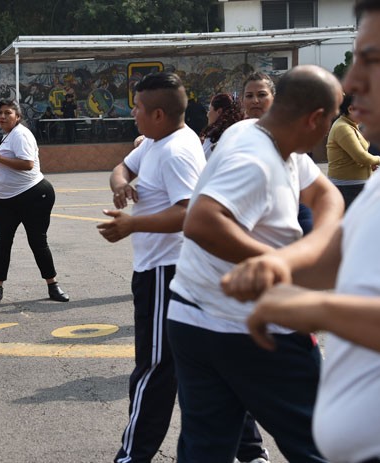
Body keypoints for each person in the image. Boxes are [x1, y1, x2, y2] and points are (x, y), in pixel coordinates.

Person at [223, 1, 380, 461]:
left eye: (373, 61)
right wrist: (275, 271)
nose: (351, 82)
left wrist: (321, 308)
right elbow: (337, 260)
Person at [166, 65, 344, 462]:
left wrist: (308, 249)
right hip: (251, 326)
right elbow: (201, 221)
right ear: (315, 119)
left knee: (205, 449)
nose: (327, 132)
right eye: (330, 122)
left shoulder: (265, 135)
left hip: (193, 318)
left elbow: (327, 195)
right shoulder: (256, 160)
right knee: (324, 444)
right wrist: (279, 266)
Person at [96, 72, 267, 463]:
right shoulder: (157, 141)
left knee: (155, 370)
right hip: (168, 270)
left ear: (157, 113)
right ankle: (251, 450)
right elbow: (121, 166)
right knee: (210, 365)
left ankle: (131, 457)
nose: (133, 115)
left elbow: (190, 213)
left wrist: (131, 223)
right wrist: (121, 184)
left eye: (137, 108)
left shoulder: (176, 151)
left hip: (166, 272)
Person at [0, 100, 69, 306]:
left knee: (37, 241)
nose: (2, 116)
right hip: (5, 200)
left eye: (8, 113)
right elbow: (7, 160)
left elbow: (28, 164)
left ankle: (53, 285)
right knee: (2, 243)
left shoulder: (21, 134)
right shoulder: (8, 136)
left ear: (18, 117)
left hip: (32, 196)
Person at [243, 72, 315, 235]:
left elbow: (317, 191)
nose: (255, 101)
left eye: (261, 95)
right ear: (242, 101)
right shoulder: (234, 136)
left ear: (274, 99)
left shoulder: (286, 137)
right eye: (249, 96)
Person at [326, 93, 380, 209]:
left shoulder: (350, 125)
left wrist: (370, 163)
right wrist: (378, 159)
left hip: (355, 184)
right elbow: (361, 157)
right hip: (348, 186)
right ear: (351, 109)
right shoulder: (343, 128)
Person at [200, 93, 244, 159]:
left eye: (209, 110)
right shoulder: (239, 134)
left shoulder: (213, 140)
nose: (207, 114)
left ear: (219, 112)